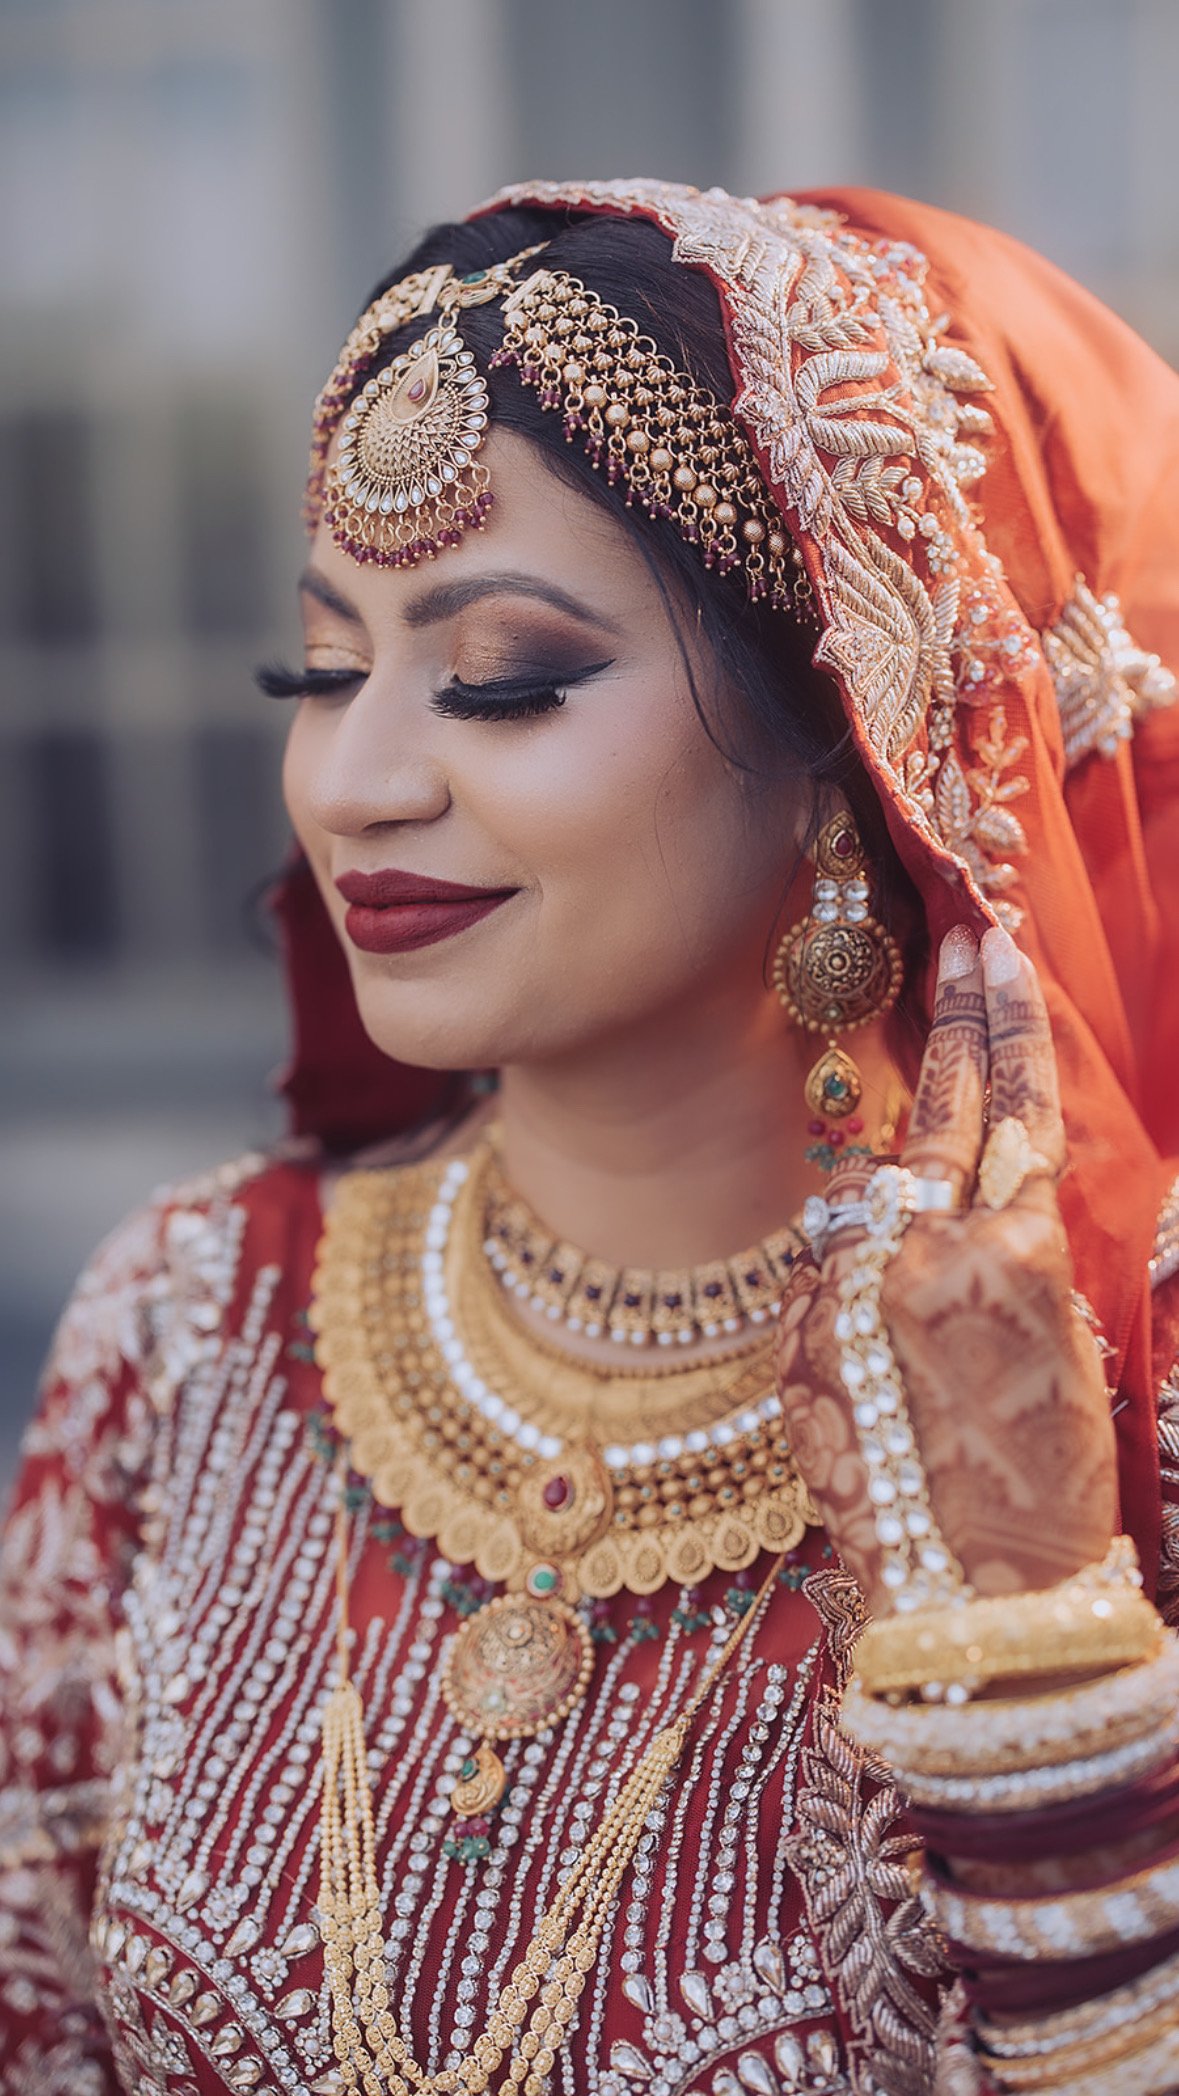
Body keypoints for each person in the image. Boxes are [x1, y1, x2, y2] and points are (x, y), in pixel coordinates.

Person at [3, 176, 1179, 2096]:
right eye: (322, 667)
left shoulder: (1105, 1391)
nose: (358, 778)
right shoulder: (190, 1320)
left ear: (847, 724)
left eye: (503, 680)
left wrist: (1042, 1646)